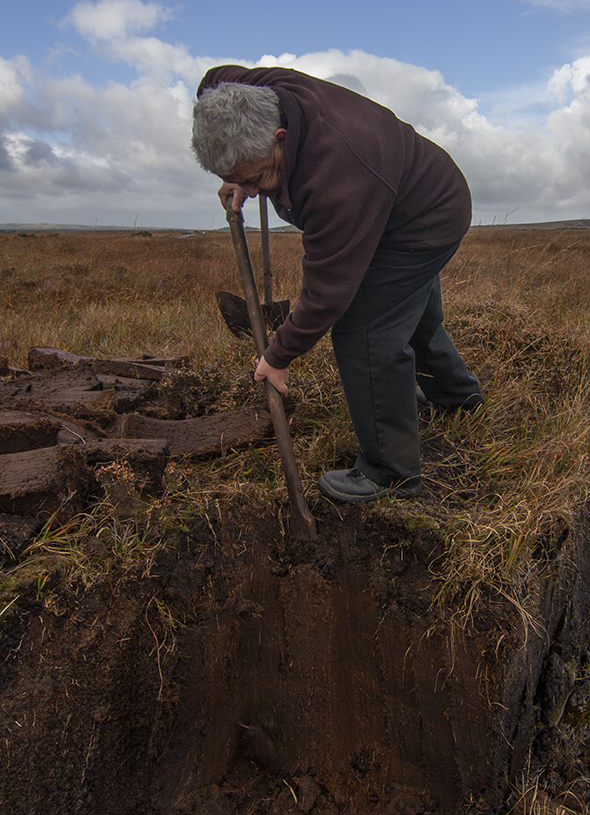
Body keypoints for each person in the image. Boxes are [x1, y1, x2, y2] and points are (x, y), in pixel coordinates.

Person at [192, 66, 483, 502]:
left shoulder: (337, 174)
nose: (249, 192)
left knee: (367, 332)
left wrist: (278, 354)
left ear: (279, 137)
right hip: (412, 189)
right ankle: (457, 397)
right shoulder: (247, 91)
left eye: (256, 178)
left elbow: (328, 292)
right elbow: (211, 82)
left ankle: (391, 474)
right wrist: (234, 171)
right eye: (243, 181)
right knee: (414, 314)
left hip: (420, 222)